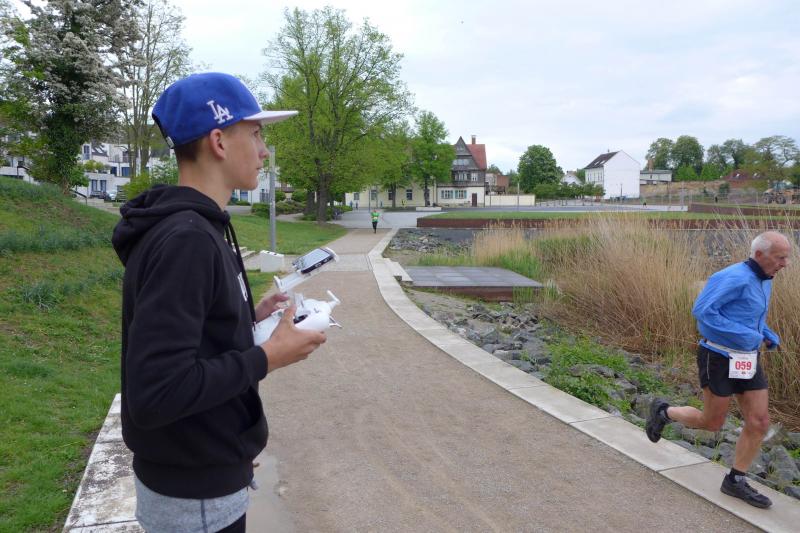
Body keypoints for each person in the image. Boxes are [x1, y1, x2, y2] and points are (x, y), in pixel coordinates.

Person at [112, 72, 327, 532]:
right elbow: (157, 392)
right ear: (219, 142)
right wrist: (268, 356)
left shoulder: (198, 227)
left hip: (204, 473)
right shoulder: (187, 239)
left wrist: (246, 319)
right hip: (195, 496)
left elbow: (192, 336)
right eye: (256, 134)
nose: (264, 151)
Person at [646, 231, 791, 509]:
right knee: (712, 423)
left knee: (759, 422)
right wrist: (750, 336)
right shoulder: (732, 277)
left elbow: (745, 316)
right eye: (780, 257)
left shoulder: (765, 278)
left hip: (747, 359)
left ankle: (735, 480)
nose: (785, 264)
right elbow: (703, 311)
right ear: (759, 255)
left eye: (787, 258)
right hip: (718, 356)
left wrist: (766, 333)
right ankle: (664, 412)